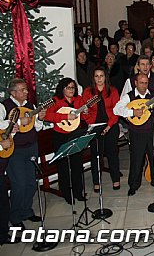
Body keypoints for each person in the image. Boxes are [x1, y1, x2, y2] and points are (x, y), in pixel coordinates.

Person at [115, 73, 154, 195]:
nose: (144, 85)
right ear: (135, 83)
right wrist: (132, 112)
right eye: (141, 83)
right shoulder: (129, 96)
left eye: (146, 83)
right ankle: (134, 184)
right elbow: (116, 109)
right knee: (137, 159)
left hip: (152, 132)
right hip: (137, 133)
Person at [0, 79, 45, 228]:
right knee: (19, 184)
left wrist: (39, 118)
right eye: (22, 90)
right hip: (15, 151)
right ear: (13, 93)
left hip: (31, 147)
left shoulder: (29, 105)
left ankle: (26, 211)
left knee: (31, 183)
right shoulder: (4, 106)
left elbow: (37, 128)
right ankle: (15, 216)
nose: (26, 92)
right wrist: (19, 122)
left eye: (26, 89)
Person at [44, 78, 89, 204]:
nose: (71, 90)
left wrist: (85, 112)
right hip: (60, 135)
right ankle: (66, 193)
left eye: (73, 87)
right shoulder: (55, 100)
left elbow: (85, 117)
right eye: (68, 87)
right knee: (63, 165)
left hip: (75, 134)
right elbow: (47, 116)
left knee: (77, 164)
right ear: (62, 88)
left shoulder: (79, 99)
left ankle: (78, 192)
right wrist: (65, 117)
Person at [83, 68, 121, 192]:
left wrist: (108, 126)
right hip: (95, 126)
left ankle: (115, 179)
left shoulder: (113, 91)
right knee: (95, 155)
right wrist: (89, 120)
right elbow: (84, 113)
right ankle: (96, 182)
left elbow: (116, 111)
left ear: (106, 77)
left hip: (110, 125)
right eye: (96, 76)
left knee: (112, 154)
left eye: (101, 76)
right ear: (93, 78)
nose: (99, 79)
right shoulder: (88, 92)